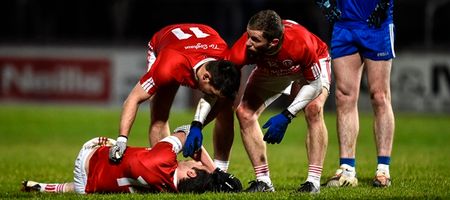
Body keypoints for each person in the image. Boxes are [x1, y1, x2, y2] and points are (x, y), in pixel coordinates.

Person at [108, 23, 241, 173]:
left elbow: (216, 96)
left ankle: (221, 171)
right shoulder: (168, 67)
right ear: (205, 77)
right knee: (159, 114)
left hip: (202, 38)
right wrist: (122, 139)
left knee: (225, 105)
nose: (212, 96)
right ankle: (163, 171)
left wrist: (196, 126)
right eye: (212, 93)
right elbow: (133, 98)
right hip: (166, 45)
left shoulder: (226, 60)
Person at [226, 10, 332, 193]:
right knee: (244, 113)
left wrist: (287, 115)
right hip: (272, 68)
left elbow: (314, 85)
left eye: (255, 40)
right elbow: (219, 85)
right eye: (248, 35)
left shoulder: (301, 43)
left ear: (273, 42)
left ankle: (313, 182)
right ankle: (264, 181)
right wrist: (198, 122)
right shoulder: (243, 48)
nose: (248, 43)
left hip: (309, 63)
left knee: (313, 108)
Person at [21, 125, 242, 194]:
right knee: (112, 179)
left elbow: (187, 130)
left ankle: (47, 186)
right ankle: (45, 187)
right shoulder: (172, 190)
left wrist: (214, 171)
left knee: (118, 147)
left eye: (197, 164)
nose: (196, 161)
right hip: (86, 188)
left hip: (89, 155)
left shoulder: (164, 157)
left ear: (192, 173)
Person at [316, 0, 395, 188]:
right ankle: (347, 169)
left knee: (379, 95)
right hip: (345, 25)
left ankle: (383, 169)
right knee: (344, 96)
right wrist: (325, 3)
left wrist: (384, 4)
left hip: (377, 24)